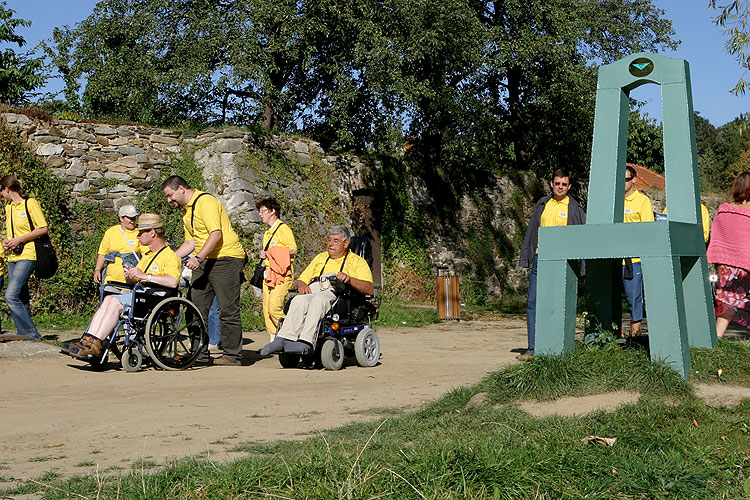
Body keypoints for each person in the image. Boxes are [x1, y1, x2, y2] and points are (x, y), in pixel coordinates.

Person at [64, 214, 182, 359]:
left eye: (141, 233)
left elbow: (172, 282)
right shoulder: (148, 256)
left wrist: (145, 276)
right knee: (108, 299)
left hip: (155, 299)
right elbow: (137, 280)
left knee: (114, 302)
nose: (138, 236)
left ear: (152, 233)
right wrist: (131, 276)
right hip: (141, 295)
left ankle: (95, 344)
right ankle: (87, 340)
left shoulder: (170, 256)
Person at [162, 175, 246, 366]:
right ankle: (199, 353)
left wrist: (199, 258)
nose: (169, 200)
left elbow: (216, 234)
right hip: (205, 260)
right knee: (194, 307)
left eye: (169, 195)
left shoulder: (205, 202)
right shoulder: (186, 212)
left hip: (225, 258)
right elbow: (191, 242)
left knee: (228, 309)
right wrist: (170, 259)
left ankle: (232, 356)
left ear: (181, 188)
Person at [260, 225, 373, 355]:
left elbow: (369, 289)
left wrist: (349, 279)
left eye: (335, 241)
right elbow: (301, 279)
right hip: (315, 288)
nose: (330, 244)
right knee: (299, 300)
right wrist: (301, 285)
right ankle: (283, 339)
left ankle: (306, 341)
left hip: (337, 292)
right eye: (329, 240)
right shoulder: (321, 257)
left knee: (318, 300)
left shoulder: (357, 261)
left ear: (346, 243)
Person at [518, 169, 586, 361]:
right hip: (541, 260)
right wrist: (530, 254)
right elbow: (532, 231)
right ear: (551, 184)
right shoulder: (543, 204)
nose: (560, 187)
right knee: (533, 303)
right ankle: (532, 349)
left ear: (569, 186)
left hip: (563, 262)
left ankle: (558, 349)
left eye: (564, 184)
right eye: (557, 183)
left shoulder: (575, 209)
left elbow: (581, 238)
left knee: (558, 304)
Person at [0, 175, 48, 341]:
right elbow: (11, 232)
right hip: (12, 256)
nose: (1, 195)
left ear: (7, 189)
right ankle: (23, 335)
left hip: (28, 254)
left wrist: (20, 239)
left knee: (10, 296)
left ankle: (33, 334)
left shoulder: (30, 203)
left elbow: (43, 228)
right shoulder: (9, 208)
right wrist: (7, 241)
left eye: (1, 190)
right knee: (20, 296)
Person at [707, 172, 750, 338]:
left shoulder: (724, 210)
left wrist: (717, 257)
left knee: (727, 300)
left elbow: (717, 235)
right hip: (746, 263)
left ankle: (717, 336)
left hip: (726, 264)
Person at [256, 197, 297, 342]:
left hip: (281, 274)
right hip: (269, 274)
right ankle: (273, 340)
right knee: (267, 310)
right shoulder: (268, 232)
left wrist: (272, 252)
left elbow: (293, 249)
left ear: (273, 211)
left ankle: (292, 334)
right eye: (259, 212)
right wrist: (264, 254)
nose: (260, 214)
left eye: (263, 211)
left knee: (274, 308)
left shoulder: (283, 229)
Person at [621, 165, 654, 337]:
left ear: (633, 180)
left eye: (626, 179)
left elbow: (647, 231)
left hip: (633, 261)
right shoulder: (614, 200)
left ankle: (634, 338)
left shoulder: (643, 201)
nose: (623, 183)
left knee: (634, 300)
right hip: (613, 259)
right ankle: (618, 337)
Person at [93, 205, 143, 287]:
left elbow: (146, 256)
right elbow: (102, 252)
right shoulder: (111, 232)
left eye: (134, 217)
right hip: (111, 280)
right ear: (121, 218)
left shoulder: (140, 233)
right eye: (130, 218)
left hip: (131, 282)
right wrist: (97, 270)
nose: (133, 221)